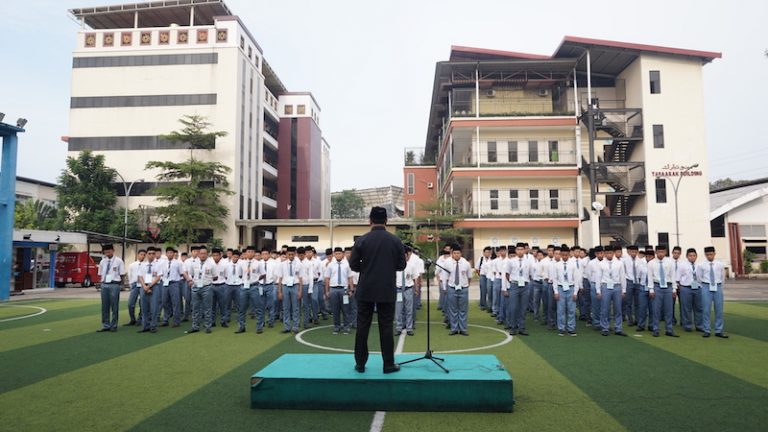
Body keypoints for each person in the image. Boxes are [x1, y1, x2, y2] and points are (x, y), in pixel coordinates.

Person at [349, 206, 406, 374]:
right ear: (387, 221)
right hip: (386, 289)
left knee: (362, 326)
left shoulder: (361, 240)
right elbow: (402, 265)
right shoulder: (395, 241)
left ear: (370, 221)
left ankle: (360, 364)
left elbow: (353, 265)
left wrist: (366, 268)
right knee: (386, 327)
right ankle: (388, 364)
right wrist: (388, 267)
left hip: (365, 288)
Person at [647, 245, 678, 337]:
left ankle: (669, 329)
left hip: (668, 287)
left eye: (662, 252)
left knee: (669, 309)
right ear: (656, 252)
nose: (661, 253)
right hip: (657, 286)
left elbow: (673, 276)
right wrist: (651, 289)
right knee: (656, 309)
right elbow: (650, 277)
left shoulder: (670, 262)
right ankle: (655, 329)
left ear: (665, 252)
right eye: (659, 252)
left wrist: (674, 288)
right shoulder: (651, 263)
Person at [596, 246, 627, 336]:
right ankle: (605, 327)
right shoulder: (601, 264)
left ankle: (618, 328)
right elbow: (598, 277)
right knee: (605, 308)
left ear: (613, 253)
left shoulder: (619, 263)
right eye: (607, 253)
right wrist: (598, 290)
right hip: (605, 286)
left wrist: (623, 290)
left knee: (618, 309)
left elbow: (622, 277)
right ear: (605, 254)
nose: (609, 255)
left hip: (617, 286)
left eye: (610, 253)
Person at [698, 246, 728, 338]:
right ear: (705, 255)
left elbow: (723, 276)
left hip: (717, 286)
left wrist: (720, 285)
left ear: (714, 254)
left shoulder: (720, 264)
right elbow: (699, 277)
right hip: (706, 286)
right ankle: (706, 329)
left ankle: (718, 330)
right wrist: (704, 285)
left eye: (711, 254)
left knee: (719, 309)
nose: (709, 256)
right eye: (707, 255)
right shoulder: (701, 265)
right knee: (706, 309)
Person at [186, 245, 216, 334]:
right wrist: (191, 281)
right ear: (198, 254)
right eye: (201, 253)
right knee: (195, 308)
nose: (203, 255)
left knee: (207, 308)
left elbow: (215, 276)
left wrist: (207, 282)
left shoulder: (211, 263)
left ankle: (207, 326)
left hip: (207, 287)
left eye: (205, 253)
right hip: (195, 287)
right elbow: (190, 274)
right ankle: (195, 326)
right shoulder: (194, 263)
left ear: (207, 254)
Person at [96, 244, 126, 332]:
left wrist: (121, 285)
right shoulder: (102, 261)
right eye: (105, 252)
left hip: (114, 284)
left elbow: (122, 274)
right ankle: (106, 325)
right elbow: (100, 274)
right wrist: (101, 283)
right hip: (104, 284)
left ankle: (114, 325)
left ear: (113, 250)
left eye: (109, 251)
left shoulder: (119, 261)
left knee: (114, 305)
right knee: (104, 306)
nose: (107, 253)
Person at [325, 247, 354, 334]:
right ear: (334, 254)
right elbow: (327, 278)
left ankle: (346, 326)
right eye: (336, 254)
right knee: (335, 309)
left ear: (343, 254)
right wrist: (327, 291)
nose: (338, 255)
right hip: (333, 289)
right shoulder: (330, 265)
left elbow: (350, 278)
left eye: (340, 253)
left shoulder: (346, 265)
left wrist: (351, 290)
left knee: (345, 309)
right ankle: (336, 326)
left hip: (344, 290)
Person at [445, 243, 472, 336]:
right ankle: (454, 328)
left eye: (458, 253)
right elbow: (445, 277)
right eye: (455, 253)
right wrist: (445, 288)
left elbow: (469, 277)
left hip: (463, 288)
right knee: (453, 309)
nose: (456, 255)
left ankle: (463, 328)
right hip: (452, 288)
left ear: (461, 254)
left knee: (463, 309)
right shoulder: (447, 263)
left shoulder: (466, 263)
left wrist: (466, 286)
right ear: (452, 253)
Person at [554, 245, 581, 336]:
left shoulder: (573, 265)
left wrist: (575, 292)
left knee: (571, 310)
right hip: (561, 288)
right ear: (561, 255)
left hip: (571, 288)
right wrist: (556, 292)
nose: (565, 257)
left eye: (566, 255)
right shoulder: (557, 265)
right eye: (563, 255)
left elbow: (576, 279)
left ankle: (571, 328)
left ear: (569, 254)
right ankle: (561, 328)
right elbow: (555, 279)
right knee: (560, 310)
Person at [506, 243, 531, 336]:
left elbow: (530, 274)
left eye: (522, 249)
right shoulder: (511, 261)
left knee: (523, 308)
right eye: (518, 249)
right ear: (516, 250)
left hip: (525, 286)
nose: (520, 251)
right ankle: (513, 327)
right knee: (513, 307)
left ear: (525, 250)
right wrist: (513, 282)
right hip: (514, 285)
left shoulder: (528, 262)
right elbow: (507, 274)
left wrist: (525, 281)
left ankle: (522, 327)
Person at [677, 248, 704, 333]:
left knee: (699, 308)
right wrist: (680, 287)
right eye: (690, 256)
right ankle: (687, 325)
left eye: (694, 255)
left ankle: (699, 325)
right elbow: (677, 277)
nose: (692, 257)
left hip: (697, 288)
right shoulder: (682, 265)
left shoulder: (700, 265)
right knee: (686, 308)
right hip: (686, 288)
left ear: (696, 256)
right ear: (687, 256)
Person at [138, 247, 164, 333]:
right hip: (144, 287)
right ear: (147, 254)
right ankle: (145, 326)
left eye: (153, 253)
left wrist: (149, 286)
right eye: (149, 253)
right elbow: (140, 276)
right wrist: (144, 286)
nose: (151, 255)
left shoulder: (158, 264)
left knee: (154, 308)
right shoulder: (142, 265)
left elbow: (158, 277)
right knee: (144, 308)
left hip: (154, 286)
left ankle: (153, 326)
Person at [278, 246, 303, 334]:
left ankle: (295, 326)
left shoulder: (299, 264)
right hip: (285, 287)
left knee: (295, 307)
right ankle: (287, 326)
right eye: (289, 254)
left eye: (292, 254)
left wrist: (300, 291)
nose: (291, 256)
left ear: (295, 254)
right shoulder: (282, 264)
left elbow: (300, 279)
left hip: (295, 286)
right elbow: (280, 279)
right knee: (286, 307)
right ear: (286, 254)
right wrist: (280, 291)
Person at [160, 247, 184, 328]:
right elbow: (161, 273)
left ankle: (176, 321)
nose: (170, 254)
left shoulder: (178, 263)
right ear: (166, 254)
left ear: (174, 254)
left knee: (175, 302)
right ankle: (165, 319)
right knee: (164, 302)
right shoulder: (163, 263)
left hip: (174, 283)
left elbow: (181, 273)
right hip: (165, 283)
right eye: (168, 253)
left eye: (171, 253)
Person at [395, 246, 416, 336]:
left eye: (405, 256)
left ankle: (409, 328)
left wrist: (416, 289)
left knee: (409, 309)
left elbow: (415, 278)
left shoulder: (411, 266)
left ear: (408, 257)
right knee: (398, 310)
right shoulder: (395, 266)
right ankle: (399, 327)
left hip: (408, 289)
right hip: (399, 289)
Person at [125, 249, 146, 326]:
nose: (142, 256)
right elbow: (129, 275)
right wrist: (131, 284)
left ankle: (140, 319)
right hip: (134, 284)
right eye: (141, 254)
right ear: (138, 255)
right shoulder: (132, 265)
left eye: (144, 255)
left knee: (142, 303)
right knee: (130, 303)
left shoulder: (146, 265)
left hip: (143, 285)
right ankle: (132, 319)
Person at [475, 246, 492, 311]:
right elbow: (477, 268)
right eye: (486, 252)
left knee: (489, 291)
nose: (487, 253)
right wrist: (480, 275)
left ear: (490, 253)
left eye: (488, 252)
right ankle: (482, 305)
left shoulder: (492, 259)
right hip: (483, 276)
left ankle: (490, 305)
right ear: (483, 253)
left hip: (490, 276)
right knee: (483, 291)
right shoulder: (481, 259)